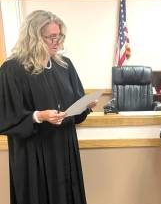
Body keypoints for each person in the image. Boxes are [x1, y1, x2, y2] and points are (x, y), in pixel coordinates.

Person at [0, 10, 96, 204]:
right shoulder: (12, 70)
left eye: (59, 36)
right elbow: (6, 117)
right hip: (33, 151)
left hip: (64, 146)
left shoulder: (65, 66)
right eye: (51, 37)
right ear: (33, 37)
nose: (57, 41)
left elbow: (74, 109)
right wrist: (38, 116)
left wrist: (84, 106)